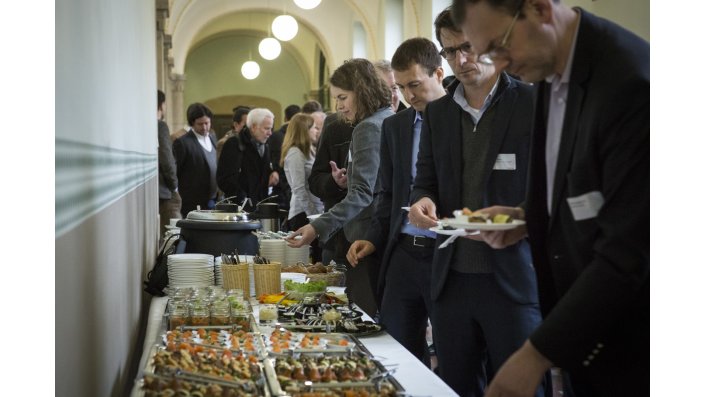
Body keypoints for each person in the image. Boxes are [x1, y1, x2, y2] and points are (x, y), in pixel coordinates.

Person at [451, 0, 649, 396]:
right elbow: (581, 185)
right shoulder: (548, 69)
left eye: (500, 45)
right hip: (584, 333)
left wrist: (535, 355)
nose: (500, 64)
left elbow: (631, 247)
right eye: (489, 54)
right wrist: (526, 216)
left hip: (633, 338)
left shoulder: (630, 81)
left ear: (540, 9)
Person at [406, 8, 544, 397]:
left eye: (466, 47)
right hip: (453, 277)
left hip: (513, 276)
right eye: (449, 52)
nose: (460, 60)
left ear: (488, 42)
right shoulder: (439, 112)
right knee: (456, 385)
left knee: (521, 388)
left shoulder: (531, 102)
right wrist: (422, 202)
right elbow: (425, 180)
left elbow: (548, 187)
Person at [346, 37, 447, 365]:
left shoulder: (457, 121)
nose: (409, 95)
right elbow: (387, 193)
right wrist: (372, 238)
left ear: (439, 75)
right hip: (403, 251)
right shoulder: (395, 126)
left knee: (451, 352)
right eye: (402, 88)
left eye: (415, 84)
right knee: (396, 348)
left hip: (445, 253)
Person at [287, 59, 394, 317]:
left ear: (363, 90)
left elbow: (362, 193)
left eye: (343, 98)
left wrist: (317, 226)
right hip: (378, 234)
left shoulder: (368, 127)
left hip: (363, 237)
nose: (339, 106)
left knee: (363, 316)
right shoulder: (387, 118)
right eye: (336, 99)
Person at [308, 111, 355, 266]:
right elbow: (315, 180)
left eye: (395, 89)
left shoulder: (404, 118)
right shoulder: (335, 124)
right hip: (339, 237)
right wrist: (335, 182)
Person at [281, 113, 324, 261]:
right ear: (304, 130)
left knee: (318, 258)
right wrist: (312, 215)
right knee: (306, 259)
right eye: (313, 128)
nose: (316, 131)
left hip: (314, 211)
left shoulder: (309, 150)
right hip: (303, 213)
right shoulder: (295, 153)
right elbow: (299, 188)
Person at [217, 108, 277, 211]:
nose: (270, 133)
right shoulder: (234, 144)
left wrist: (272, 173)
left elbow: (260, 171)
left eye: (271, 129)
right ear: (253, 127)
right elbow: (224, 179)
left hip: (260, 207)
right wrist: (243, 199)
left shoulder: (265, 145)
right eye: (267, 128)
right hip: (239, 209)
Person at [173, 103, 218, 217]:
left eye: (207, 123)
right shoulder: (183, 142)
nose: (204, 127)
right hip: (192, 202)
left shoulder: (212, 137)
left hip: (212, 200)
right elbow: (176, 171)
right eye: (200, 124)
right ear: (192, 123)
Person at [157, 90, 181, 234]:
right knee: (173, 236)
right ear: (161, 105)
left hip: (157, 191)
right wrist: (175, 186)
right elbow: (166, 157)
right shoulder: (160, 126)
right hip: (165, 192)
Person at [270, 104, 301, 212]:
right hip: (291, 190)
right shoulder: (300, 137)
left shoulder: (274, 135)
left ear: (285, 118)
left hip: (280, 186)